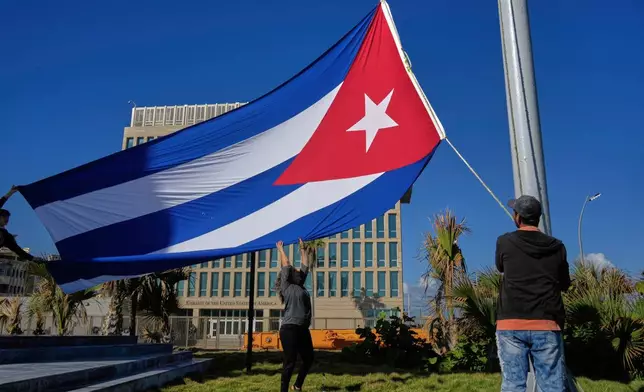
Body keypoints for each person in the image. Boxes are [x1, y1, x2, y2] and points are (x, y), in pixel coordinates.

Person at [495, 195, 571, 392]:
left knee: (513, 385)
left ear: (517, 217)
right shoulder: (557, 247)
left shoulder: (504, 242)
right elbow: (565, 284)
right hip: (547, 323)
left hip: (511, 323)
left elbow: (500, 266)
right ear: (538, 217)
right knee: (552, 385)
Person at [275, 239, 313, 392]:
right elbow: (286, 264)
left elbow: (305, 264)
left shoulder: (300, 284)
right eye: (295, 271)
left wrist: (302, 248)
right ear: (290, 275)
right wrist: (281, 249)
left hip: (302, 328)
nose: (298, 271)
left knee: (309, 359)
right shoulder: (287, 285)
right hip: (289, 328)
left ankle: (297, 385)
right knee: (290, 362)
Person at [0, 186, 35, 261]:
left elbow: (17, 249)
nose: (6, 224)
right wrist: (11, 192)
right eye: (5, 221)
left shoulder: (5, 236)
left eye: (7, 222)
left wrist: (33, 258)